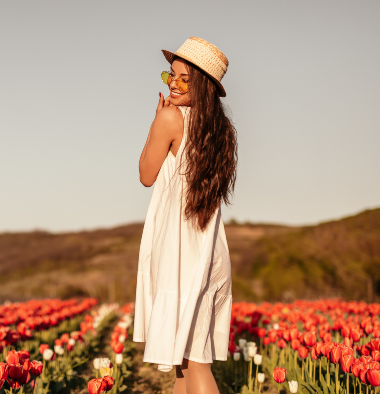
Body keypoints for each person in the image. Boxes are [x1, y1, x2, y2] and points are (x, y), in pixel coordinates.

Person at [133, 37, 237, 394]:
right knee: (184, 365)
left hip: (183, 254)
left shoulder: (170, 117)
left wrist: (155, 123)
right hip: (209, 251)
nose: (172, 85)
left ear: (203, 87)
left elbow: (147, 175)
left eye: (183, 79)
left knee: (195, 366)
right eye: (169, 76)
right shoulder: (220, 130)